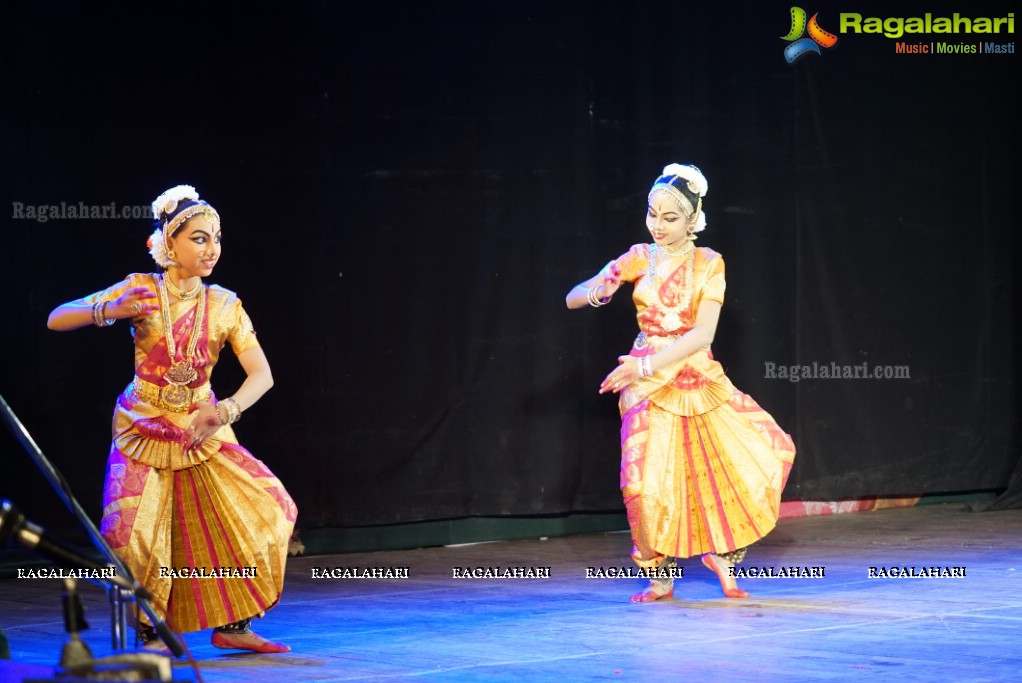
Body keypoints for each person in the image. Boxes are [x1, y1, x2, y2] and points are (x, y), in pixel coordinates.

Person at [47, 186, 297, 652]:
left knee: (263, 515)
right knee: (133, 537)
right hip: (142, 426)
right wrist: (109, 311)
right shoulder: (140, 288)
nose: (212, 248)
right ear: (170, 242)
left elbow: (261, 374)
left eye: (217, 238)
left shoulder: (225, 304)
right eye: (200, 238)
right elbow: (56, 318)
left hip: (203, 427)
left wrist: (225, 409)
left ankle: (234, 626)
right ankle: (151, 631)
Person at [565, 164, 795, 602]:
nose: (658, 226)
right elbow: (572, 297)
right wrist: (602, 287)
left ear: (693, 219)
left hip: (692, 373)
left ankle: (724, 560)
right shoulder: (638, 256)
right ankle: (660, 575)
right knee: (645, 483)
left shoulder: (709, 263)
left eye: (670, 218)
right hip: (646, 383)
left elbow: (702, 334)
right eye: (652, 214)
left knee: (729, 465)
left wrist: (645, 366)